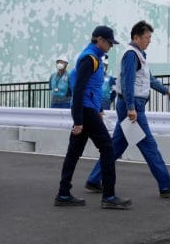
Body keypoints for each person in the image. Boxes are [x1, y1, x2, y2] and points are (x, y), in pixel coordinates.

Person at [85, 21, 170, 199]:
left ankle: (94, 179)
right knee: (149, 145)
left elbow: (150, 80)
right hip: (132, 107)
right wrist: (132, 107)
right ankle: (165, 184)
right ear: (136, 37)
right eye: (147, 37)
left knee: (116, 146)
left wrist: (168, 91)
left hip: (130, 106)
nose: (149, 41)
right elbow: (127, 82)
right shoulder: (131, 55)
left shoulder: (139, 55)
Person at [56, 25, 131, 209]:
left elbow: (88, 88)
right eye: (109, 43)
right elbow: (79, 89)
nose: (111, 47)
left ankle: (63, 193)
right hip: (85, 111)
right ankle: (109, 196)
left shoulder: (93, 58)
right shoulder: (90, 59)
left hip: (88, 110)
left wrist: (95, 109)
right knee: (107, 148)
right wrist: (79, 120)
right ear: (99, 40)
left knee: (74, 152)